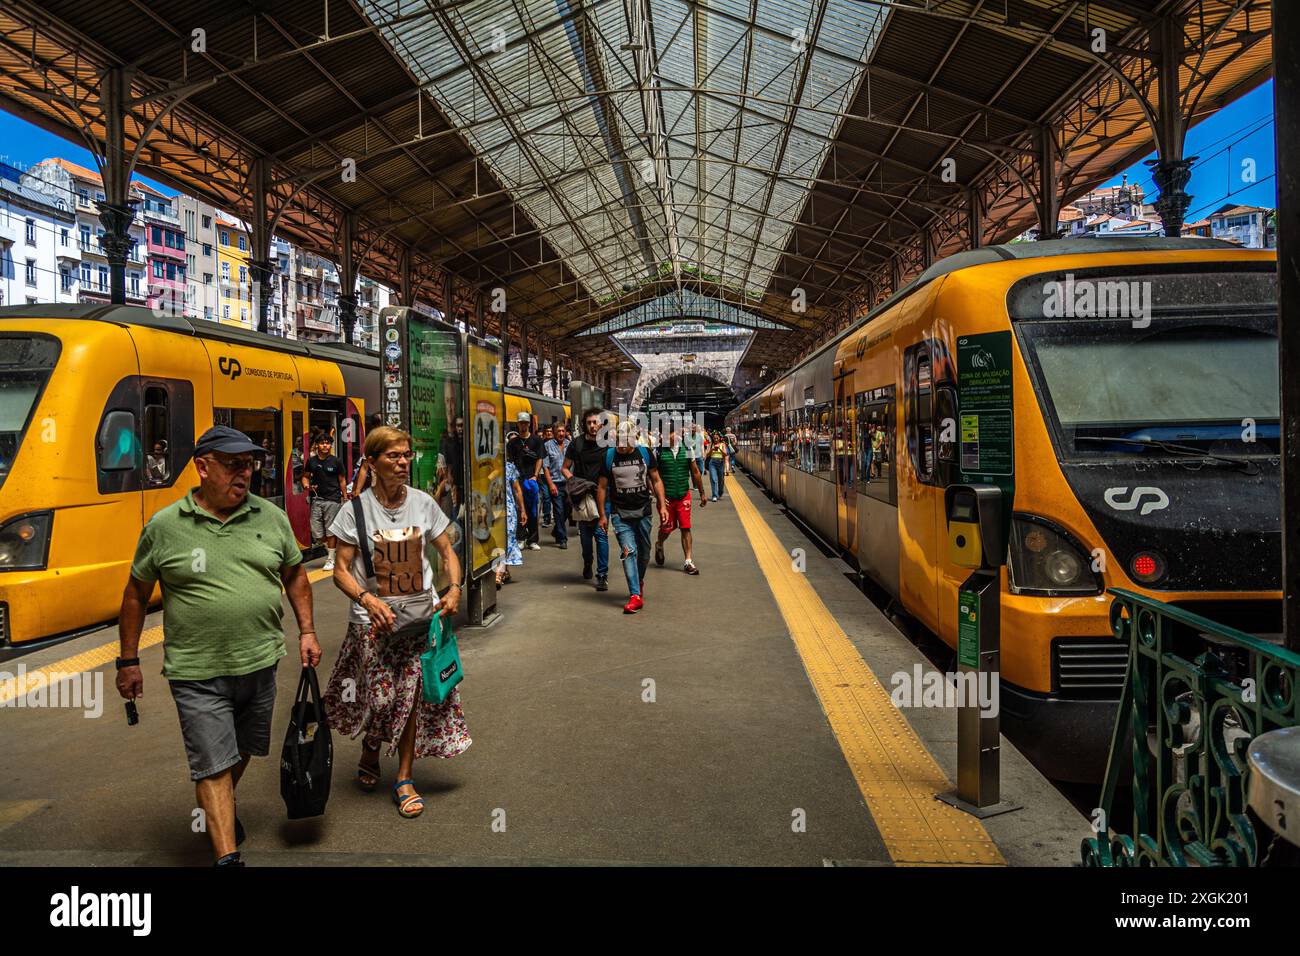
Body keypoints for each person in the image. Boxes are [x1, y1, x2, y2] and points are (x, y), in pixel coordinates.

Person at [116, 425, 320, 866]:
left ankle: (219, 810)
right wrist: (128, 660)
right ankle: (228, 857)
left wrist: (307, 631)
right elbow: (135, 593)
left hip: (260, 662)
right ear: (202, 467)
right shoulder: (166, 527)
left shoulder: (270, 517)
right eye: (232, 464)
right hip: (196, 671)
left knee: (242, 750)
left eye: (247, 464)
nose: (243, 472)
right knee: (212, 761)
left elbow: (296, 576)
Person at [323, 426, 470, 819]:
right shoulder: (354, 510)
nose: (403, 462)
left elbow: (447, 550)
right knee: (379, 697)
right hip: (371, 622)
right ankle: (372, 744)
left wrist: (454, 588)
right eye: (393, 456)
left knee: (409, 699)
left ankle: (404, 778)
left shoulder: (423, 504)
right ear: (371, 463)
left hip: (418, 619)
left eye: (406, 455)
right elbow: (340, 570)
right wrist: (367, 599)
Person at [597, 421, 669, 614]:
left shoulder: (645, 453)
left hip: (643, 511)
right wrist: (602, 515)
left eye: (625, 441)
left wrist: (662, 505)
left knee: (644, 552)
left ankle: (640, 580)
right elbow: (602, 487)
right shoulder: (609, 456)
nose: (621, 445)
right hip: (620, 513)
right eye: (618, 440)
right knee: (629, 551)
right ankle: (635, 595)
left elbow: (656, 479)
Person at [562, 407, 610, 592]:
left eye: (595, 422)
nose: (592, 426)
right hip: (582, 497)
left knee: (601, 534)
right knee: (586, 538)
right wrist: (575, 482)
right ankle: (588, 561)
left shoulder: (608, 445)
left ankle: (602, 575)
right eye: (589, 422)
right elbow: (565, 468)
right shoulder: (576, 444)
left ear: (601, 424)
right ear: (585, 425)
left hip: (603, 496)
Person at [653, 424, 706, 575]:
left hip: (683, 494)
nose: (675, 435)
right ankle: (659, 544)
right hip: (667, 498)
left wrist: (702, 492)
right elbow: (652, 477)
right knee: (667, 527)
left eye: (676, 432)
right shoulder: (657, 452)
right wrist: (659, 497)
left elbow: (695, 471)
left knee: (685, 527)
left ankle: (688, 561)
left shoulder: (688, 449)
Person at [303, 433, 347, 570]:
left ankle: (330, 559)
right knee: (316, 532)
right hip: (316, 499)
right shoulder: (311, 461)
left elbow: (342, 480)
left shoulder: (336, 461)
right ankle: (333, 550)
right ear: (317, 445)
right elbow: (305, 477)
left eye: (328, 443)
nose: (325, 445)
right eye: (322, 443)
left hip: (332, 499)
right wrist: (306, 485)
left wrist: (344, 497)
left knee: (330, 530)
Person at [506, 412, 544, 551]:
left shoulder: (536, 441)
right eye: (521, 422)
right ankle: (521, 537)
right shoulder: (512, 443)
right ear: (518, 424)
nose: (523, 425)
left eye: (525, 423)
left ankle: (532, 540)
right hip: (518, 480)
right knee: (519, 509)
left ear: (529, 424)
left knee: (533, 510)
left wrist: (535, 475)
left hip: (532, 480)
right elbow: (510, 461)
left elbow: (540, 458)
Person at [495, 457, 526, 586]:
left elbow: (517, 489)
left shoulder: (509, 467)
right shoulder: (483, 467)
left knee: (506, 540)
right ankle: (505, 570)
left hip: (508, 510)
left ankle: (499, 573)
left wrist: (523, 510)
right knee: (496, 541)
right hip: (490, 511)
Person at [542, 422, 570, 550]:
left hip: (568, 483)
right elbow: (546, 467)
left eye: (563, 431)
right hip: (555, 483)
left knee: (568, 509)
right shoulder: (547, 446)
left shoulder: (570, 445)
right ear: (553, 433)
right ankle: (562, 538)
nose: (561, 433)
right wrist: (551, 484)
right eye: (558, 431)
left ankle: (557, 530)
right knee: (558, 511)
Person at [351, 412, 385, 498]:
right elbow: (364, 467)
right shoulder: (372, 443)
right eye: (379, 424)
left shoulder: (395, 440)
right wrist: (357, 490)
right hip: (376, 489)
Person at [537, 424, 554, 527]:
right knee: (546, 496)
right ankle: (547, 518)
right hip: (543, 475)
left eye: (550, 431)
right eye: (547, 431)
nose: (549, 433)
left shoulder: (558, 444)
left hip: (554, 475)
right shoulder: (541, 444)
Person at [704, 431, 728, 501]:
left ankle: (720, 492)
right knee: (713, 479)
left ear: (720, 438)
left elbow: (725, 454)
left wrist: (720, 449)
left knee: (721, 480)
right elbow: (707, 455)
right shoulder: (711, 444)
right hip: (712, 463)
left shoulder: (722, 444)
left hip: (720, 462)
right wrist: (712, 449)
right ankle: (714, 495)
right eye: (714, 438)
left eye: (717, 438)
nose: (716, 439)